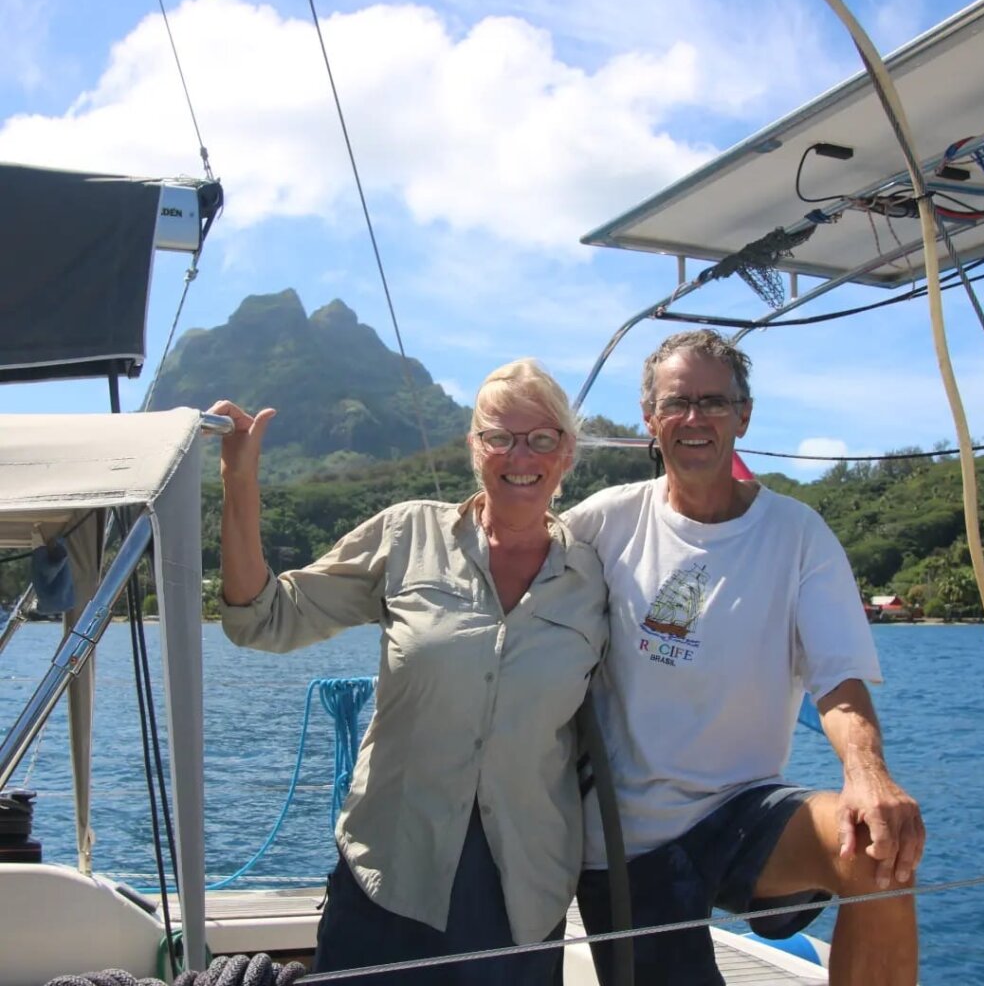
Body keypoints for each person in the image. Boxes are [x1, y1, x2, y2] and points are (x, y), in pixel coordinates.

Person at [211, 358, 607, 984]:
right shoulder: (407, 535)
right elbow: (264, 617)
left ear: (566, 453)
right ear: (474, 448)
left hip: (522, 895)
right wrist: (240, 478)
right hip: (388, 878)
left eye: (541, 438)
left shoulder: (596, 578)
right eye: (499, 436)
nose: (519, 454)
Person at [563, 330, 925, 986]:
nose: (695, 419)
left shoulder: (796, 534)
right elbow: (512, 563)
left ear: (744, 415)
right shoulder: (603, 524)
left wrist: (867, 775)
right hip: (624, 839)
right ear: (650, 419)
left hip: (742, 809)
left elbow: (837, 679)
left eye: (714, 402)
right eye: (677, 403)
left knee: (878, 851)